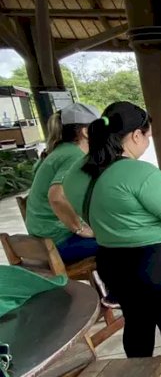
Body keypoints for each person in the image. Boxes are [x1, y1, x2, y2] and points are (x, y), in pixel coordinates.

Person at [62, 101, 161, 358]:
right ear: (136, 135)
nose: (147, 142)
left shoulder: (75, 173)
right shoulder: (139, 172)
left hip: (113, 262)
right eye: (147, 136)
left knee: (136, 324)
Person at [25, 103, 101, 263]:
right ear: (86, 132)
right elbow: (57, 197)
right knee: (127, 245)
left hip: (44, 239)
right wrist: (80, 229)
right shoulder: (74, 155)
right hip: (59, 241)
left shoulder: (60, 151)